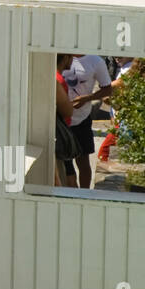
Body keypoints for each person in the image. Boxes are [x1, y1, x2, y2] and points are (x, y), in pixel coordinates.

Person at [62, 54, 113, 189]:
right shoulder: (59, 55)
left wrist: (86, 98)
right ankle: (72, 197)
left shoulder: (95, 61)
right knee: (65, 164)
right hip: (60, 119)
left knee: (83, 162)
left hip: (82, 119)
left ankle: (84, 195)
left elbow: (107, 88)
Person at [55, 54, 78, 188]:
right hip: (61, 135)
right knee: (69, 179)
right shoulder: (59, 80)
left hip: (59, 134)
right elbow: (67, 111)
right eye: (71, 57)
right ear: (65, 59)